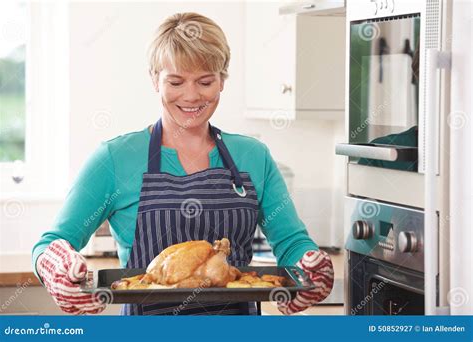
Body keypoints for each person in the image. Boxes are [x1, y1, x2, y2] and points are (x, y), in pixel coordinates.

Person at [32, 12, 334, 316]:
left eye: (205, 81)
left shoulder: (253, 156)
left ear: (222, 81)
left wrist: (309, 266)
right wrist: (55, 265)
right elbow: (52, 243)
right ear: (155, 80)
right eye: (176, 81)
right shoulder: (115, 158)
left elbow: (291, 243)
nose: (191, 96)